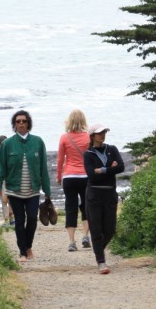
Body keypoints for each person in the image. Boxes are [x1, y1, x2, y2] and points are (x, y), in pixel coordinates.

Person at [0, 110, 51, 262]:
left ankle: (28, 246)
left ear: (28, 124)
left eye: (24, 121)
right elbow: (0, 166)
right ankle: (23, 252)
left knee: (32, 218)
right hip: (14, 190)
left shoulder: (38, 142)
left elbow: (43, 168)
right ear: (14, 124)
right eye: (18, 121)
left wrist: (47, 190)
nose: (21, 123)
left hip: (33, 190)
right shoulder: (7, 144)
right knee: (20, 220)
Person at [83, 123, 124, 275]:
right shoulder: (88, 154)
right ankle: (101, 261)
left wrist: (103, 169)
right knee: (96, 228)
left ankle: (98, 249)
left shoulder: (112, 149)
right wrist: (110, 168)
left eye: (104, 132)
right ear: (92, 136)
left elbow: (121, 167)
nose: (103, 135)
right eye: (99, 133)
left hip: (110, 194)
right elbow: (91, 175)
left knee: (110, 228)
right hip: (94, 195)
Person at [56, 109, 91, 252]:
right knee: (86, 206)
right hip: (85, 176)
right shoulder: (88, 138)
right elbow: (91, 158)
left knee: (70, 207)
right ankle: (85, 236)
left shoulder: (64, 137)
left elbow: (60, 159)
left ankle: (71, 242)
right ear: (83, 121)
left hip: (69, 176)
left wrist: (59, 176)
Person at [0, 135, 12, 224]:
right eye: (1, 144)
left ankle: (12, 217)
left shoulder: (11, 154)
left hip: (11, 179)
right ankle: (6, 219)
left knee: (11, 198)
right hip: (2, 180)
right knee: (4, 200)